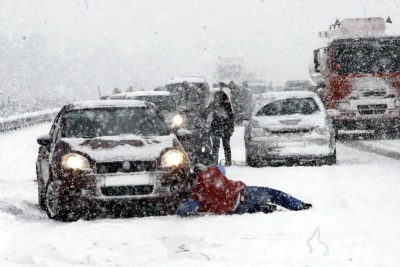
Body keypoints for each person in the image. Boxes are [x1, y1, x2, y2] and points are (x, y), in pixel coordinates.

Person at [175, 165, 312, 216]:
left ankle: (265, 208)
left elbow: (183, 210)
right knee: (271, 193)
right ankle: (297, 204)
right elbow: (223, 169)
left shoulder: (196, 196)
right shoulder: (210, 171)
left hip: (235, 209)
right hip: (241, 193)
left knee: (247, 206)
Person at [203, 82, 234, 166]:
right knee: (225, 146)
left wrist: (204, 118)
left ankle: (215, 162)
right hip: (224, 128)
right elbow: (231, 118)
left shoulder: (216, 104)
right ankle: (227, 161)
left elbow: (206, 112)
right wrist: (231, 128)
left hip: (217, 127)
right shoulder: (228, 105)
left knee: (216, 147)